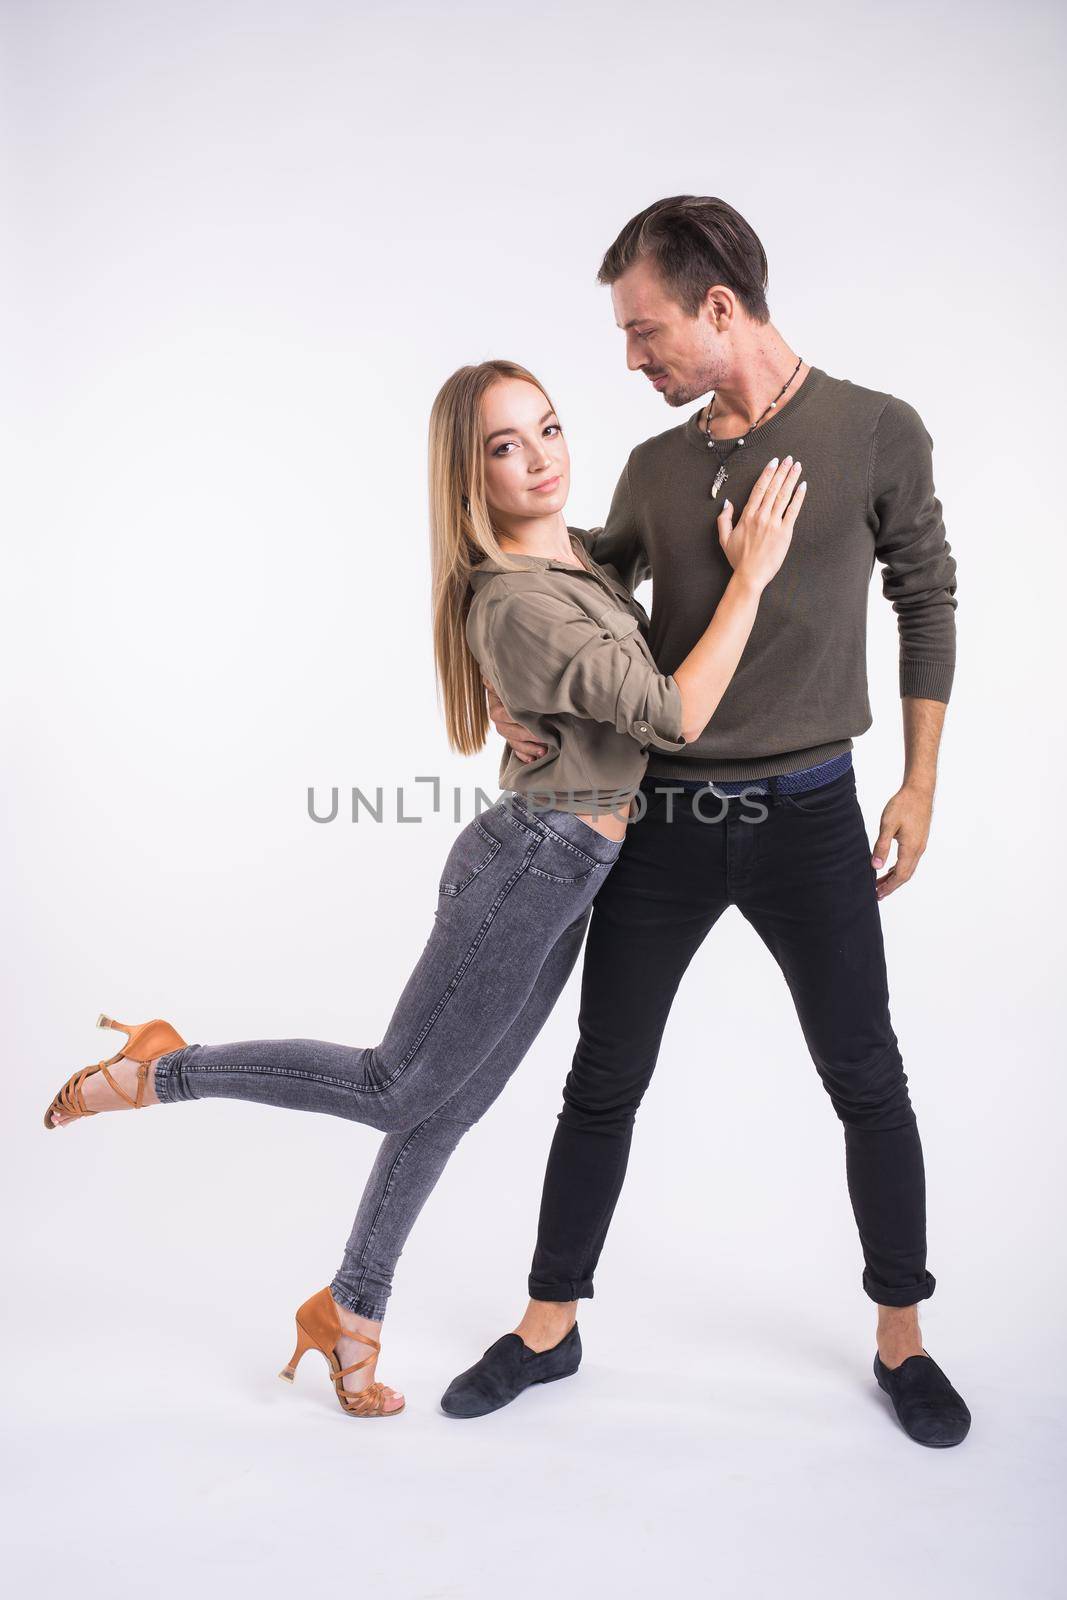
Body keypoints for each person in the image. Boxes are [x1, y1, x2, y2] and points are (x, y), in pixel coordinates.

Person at [43, 358, 806, 1420]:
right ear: (469, 473)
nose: (538, 457)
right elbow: (670, 713)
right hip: (531, 861)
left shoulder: (572, 553)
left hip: (575, 867)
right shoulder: (517, 601)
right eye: (505, 445)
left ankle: (351, 1307)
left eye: (545, 428)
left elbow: (625, 610)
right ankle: (165, 1066)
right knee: (396, 1085)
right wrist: (753, 577)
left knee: (451, 1103)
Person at [444, 197, 972, 1449]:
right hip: (659, 819)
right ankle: (547, 1323)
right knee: (603, 1078)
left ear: (716, 308)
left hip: (809, 814)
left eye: (643, 332)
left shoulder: (875, 431)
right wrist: (511, 691)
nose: (631, 360)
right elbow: (562, 581)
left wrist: (918, 781)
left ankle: (901, 1333)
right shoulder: (655, 466)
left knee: (865, 1076)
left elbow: (927, 596)